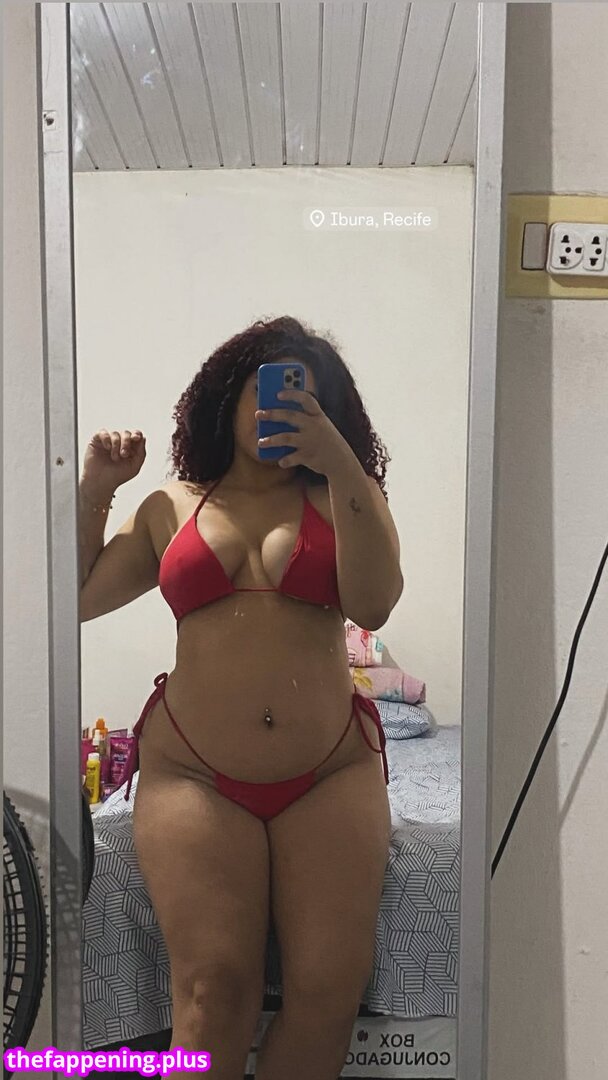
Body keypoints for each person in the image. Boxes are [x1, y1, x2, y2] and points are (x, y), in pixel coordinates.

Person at [79, 316, 403, 1080]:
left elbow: (375, 604)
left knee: (328, 991)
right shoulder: (171, 505)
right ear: (224, 400)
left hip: (329, 773)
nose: (274, 409)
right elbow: (76, 598)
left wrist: (341, 463)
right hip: (193, 774)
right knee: (212, 990)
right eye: (263, 391)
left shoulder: (346, 498)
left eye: (300, 397)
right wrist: (97, 488)